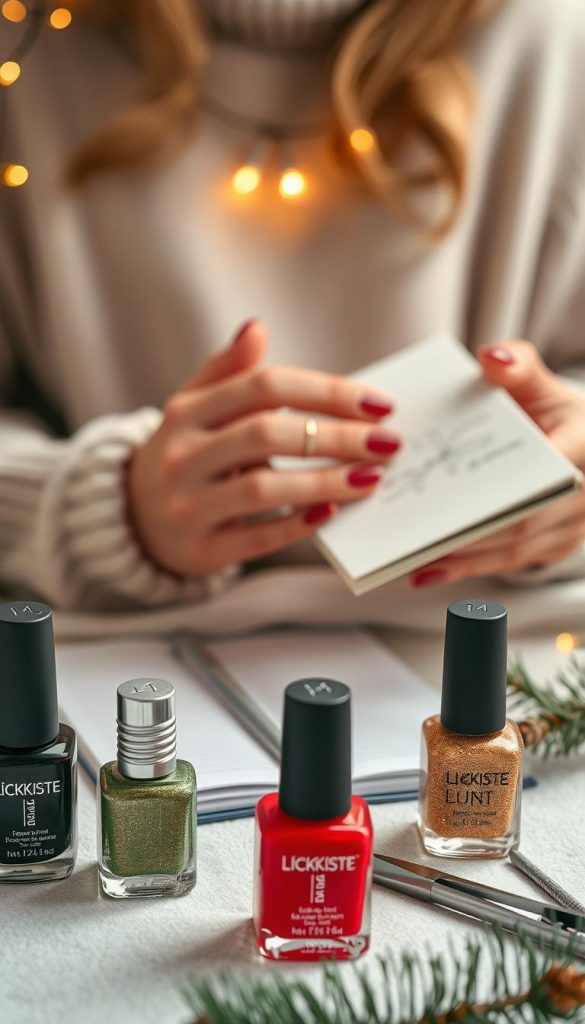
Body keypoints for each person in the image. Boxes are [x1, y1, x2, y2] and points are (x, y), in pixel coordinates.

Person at [1, 0, 584, 635]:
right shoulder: (29, 43)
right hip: (131, 645)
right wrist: (102, 513)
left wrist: (564, 478)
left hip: (493, 639)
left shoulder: (551, 40)